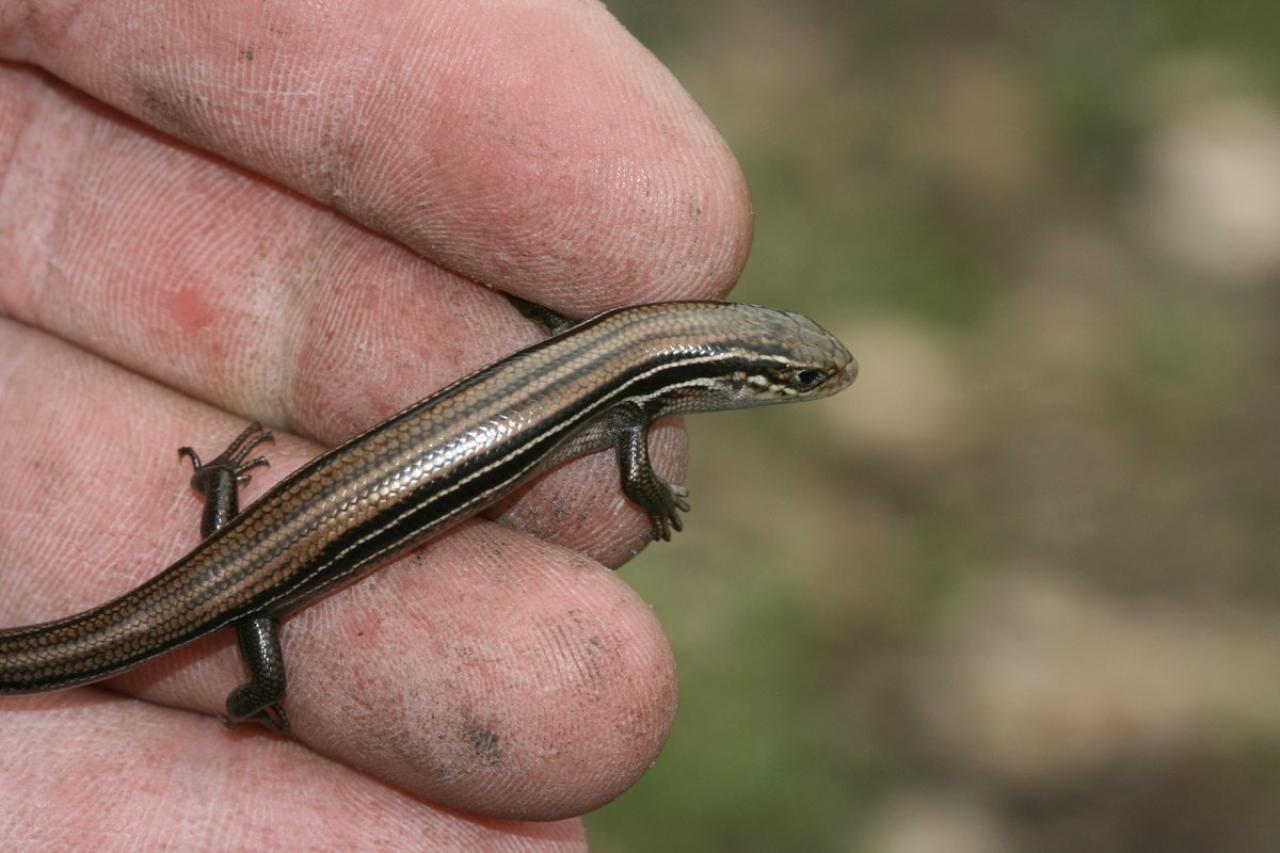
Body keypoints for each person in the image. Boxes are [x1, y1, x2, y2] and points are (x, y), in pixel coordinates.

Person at [0, 1, 752, 846]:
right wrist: (652, 493)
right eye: (786, 381)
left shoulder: (617, 353)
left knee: (246, 586)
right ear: (726, 372)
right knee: (266, 661)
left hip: (244, 554)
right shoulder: (631, 400)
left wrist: (223, 488)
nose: (791, 388)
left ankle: (223, 516)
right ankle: (253, 702)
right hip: (255, 588)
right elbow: (632, 467)